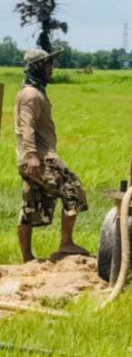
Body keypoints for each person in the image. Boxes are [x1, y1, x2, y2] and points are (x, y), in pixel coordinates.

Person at [14, 48, 90, 263]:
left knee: (31, 204)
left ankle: (27, 257)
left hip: (34, 158)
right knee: (73, 191)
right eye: (48, 64)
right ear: (38, 67)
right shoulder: (31, 95)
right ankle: (66, 243)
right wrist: (31, 155)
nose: (51, 68)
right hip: (41, 158)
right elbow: (26, 126)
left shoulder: (35, 92)